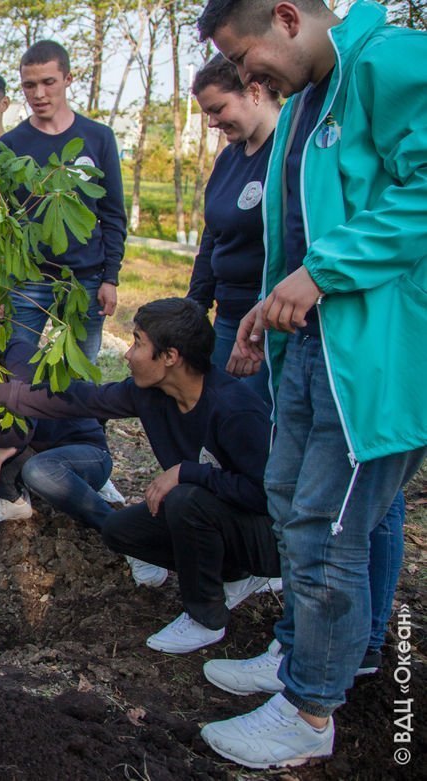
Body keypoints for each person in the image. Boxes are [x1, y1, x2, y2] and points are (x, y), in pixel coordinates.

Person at [194, 0, 427, 768]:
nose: (246, 77)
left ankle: (309, 711)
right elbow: (299, 230)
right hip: (309, 346)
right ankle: (299, 653)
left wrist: (325, 271)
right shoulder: (304, 103)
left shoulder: (390, 62)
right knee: (292, 505)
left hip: (371, 354)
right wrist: (265, 309)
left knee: (329, 527)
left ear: (287, 17)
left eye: (245, 58)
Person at [0, 299, 279, 654]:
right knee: (119, 530)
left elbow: (264, 494)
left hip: (267, 537)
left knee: (184, 497)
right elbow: (79, 400)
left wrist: (187, 472)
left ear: (170, 356)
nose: (128, 354)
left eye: (138, 342)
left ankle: (206, 618)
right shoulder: (150, 394)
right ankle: (234, 573)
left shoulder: (235, 409)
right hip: (211, 516)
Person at [0, 40, 126, 361]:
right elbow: (1, 222)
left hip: (85, 279)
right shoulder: (11, 144)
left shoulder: (98, 137)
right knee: (17, 370)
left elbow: (112, 214)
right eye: (29, 85)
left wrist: (110, 277)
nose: (39, 94)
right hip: (26, 280)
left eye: (48, 82)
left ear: (68, 79)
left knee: (80, 370)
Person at [0, 340, 114, 533]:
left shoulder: (19, 355)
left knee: (38, 468)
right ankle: (13, 500)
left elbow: (22, 428)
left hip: (87, 456)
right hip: (39, 453)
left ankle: (115, 527)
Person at [187, 53, 278, 402]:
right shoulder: (229, 158)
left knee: (253, 418)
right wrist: (195, 306)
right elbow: (212, 236)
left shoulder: (288, 152)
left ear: (253, 92)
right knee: (218, 413)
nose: (212, 122)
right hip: (227, 316)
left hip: (266, 323)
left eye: (218, 109)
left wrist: (260, 324)